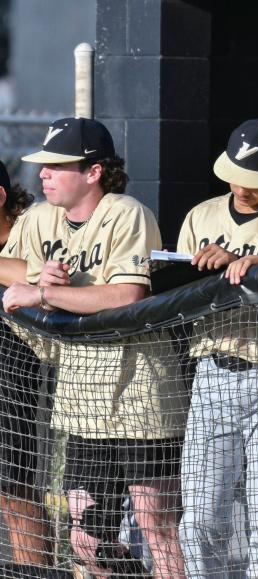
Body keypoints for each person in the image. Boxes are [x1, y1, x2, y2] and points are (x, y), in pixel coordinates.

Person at [2, 117, 187, 578]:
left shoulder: (126, 212)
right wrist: (33, 277)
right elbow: (13, 265)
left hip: (140, 392)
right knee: (86, 540)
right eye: (42, 166)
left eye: (57, 165)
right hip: (82, 397)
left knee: (156, 527)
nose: (43, 174)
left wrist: (43, 293)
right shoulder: (40, 216)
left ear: (93, 172)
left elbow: (125, 297)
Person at [175, 119, 258, 577]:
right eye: (236, 173)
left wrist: (241, 266)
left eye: (255, 179)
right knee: (198, 517)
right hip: (212, 368)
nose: (242, 187)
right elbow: (175, 293)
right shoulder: (202, 215)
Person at [0, 162, 72, 579]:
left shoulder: (35, 223)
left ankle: (35, 573)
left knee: (13, 486)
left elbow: (35, 270)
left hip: (22, 366)